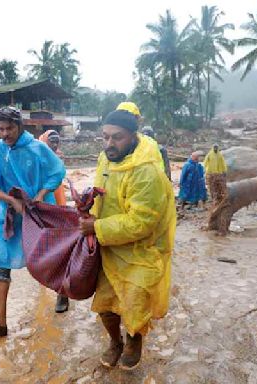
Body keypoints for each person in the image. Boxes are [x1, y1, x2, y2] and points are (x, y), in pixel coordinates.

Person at [79, 110, 176, 370]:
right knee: (106, 304)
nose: (109, 144)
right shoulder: (105, 159)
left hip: (142, 250)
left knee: (135, 304)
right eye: (105, 137)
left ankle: (134, 342)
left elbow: (142, 222)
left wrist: (96, 227)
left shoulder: (147, 172)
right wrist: (87, 201)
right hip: (109, 246)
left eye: (117, 138)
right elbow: (103, 193)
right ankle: (115, 342)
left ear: (134, 136)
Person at [0, 106, 66, 336]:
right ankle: (0, 322)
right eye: (1, 129)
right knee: (0, 258)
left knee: (48, 256)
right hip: (9, 214)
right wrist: (10, 200)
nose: (4, 134)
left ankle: (62, 290)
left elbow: (57, 172)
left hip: (39, 211)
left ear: (20, 126)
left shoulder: (38, 149)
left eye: (9, 129)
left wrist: (39, 195)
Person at [38, 129, 69, 313]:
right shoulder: (36, 156)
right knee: (44, 251)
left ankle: (62, 293)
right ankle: (48, 287)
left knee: (59, 251)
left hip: (58, 206)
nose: (55, 144)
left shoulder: (58, 158)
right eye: (52, 141)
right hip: (42, 207)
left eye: (57, 141)